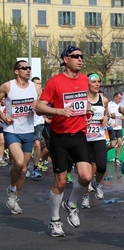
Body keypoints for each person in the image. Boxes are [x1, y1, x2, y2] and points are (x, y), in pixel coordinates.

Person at [36, 46, 93, 237]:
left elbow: (83, 100)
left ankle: (71, 204)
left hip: (79, 134)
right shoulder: (55, 82)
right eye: (75, 56)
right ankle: (55, 220)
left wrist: (88, 111)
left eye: (81, 56)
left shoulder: (85, 79)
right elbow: (39, 108)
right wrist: (59, 111)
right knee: (60, 182)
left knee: (86, 176)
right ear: (65, 59)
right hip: (59, 136)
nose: (80, 59)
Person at [0, 60, 41, 215]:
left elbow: (42, 107)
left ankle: (13, 197)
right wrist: (3, 117)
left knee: (23, 170)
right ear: (16, 71)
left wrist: (37, 108)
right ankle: (11, 189)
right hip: (12, 130)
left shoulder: (35, 87)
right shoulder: (8, 86)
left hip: (28, 131)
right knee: (18, 162)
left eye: (29, 68)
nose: (28, 70)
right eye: (24, 68)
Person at [81, 73, 109, 208]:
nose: (97, 84)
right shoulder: (82, 100)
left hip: (99, 137)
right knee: (86, 172)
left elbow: (106, 113)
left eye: (99, 81)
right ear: (88, 84)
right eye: (94, 82)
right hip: (85, 138)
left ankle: (97, 184)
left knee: (102, 166)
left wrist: (106, 118)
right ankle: (85, 195)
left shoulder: (103, 100)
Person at [31, 77, 45, 179]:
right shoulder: (27, 94)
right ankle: (24, 167)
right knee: (26, 148)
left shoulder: (42, 95)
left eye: (40, 83)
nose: (38, 85)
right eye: (36, 83)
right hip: (27, 124)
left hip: (39, 123)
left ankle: (35, 169)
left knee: (37, 145)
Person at [107, 92, 124, 161]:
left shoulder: (121, 106)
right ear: (115, 97)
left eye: (121, 98)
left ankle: (116, 158)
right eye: (119, 98)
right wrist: (109, 123)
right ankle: (104, 150)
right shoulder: (109, 105)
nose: (120, 100)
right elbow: (107, 114)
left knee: (120, 143)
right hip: (112, 127)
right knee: (113, 144)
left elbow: (122, 116)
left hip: (119, 126)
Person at [0, 97, 7, 167]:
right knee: (2, 141)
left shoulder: (8, 106)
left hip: (5, 127)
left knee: (4, 142)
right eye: (3, 99)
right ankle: (0, 159)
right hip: (0, 126)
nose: (4, 101)